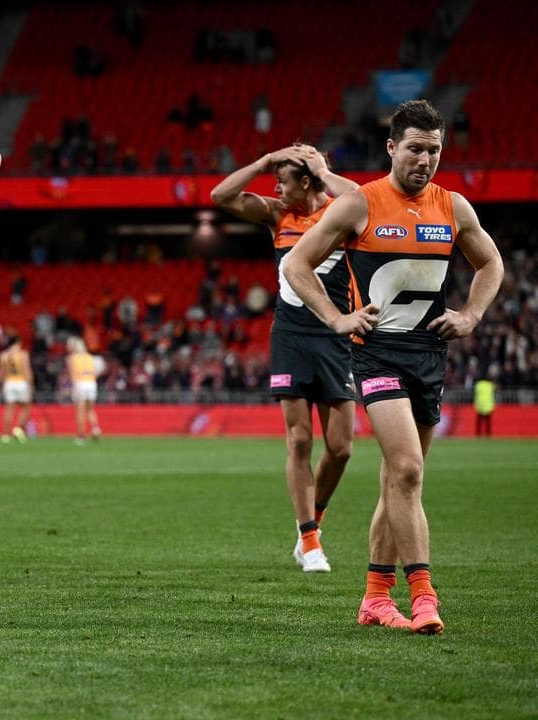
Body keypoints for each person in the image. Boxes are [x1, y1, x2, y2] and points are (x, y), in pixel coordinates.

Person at [285, 99, 503, 634]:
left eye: (433, 150)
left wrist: (472, 313)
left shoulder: (453, 208)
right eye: (414, 149)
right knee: (405, 468)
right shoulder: (360, 204)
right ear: (391, 148)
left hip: (428, 355)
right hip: (375, 352)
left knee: (400, 484)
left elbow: (490, 262)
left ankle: (374, 599)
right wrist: (337, 318)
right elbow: (296, 263)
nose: (424, 160)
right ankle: (423, 594)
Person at [210, 143, 361, 574]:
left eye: (283, 179)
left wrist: (323, 170)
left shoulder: (342, 212)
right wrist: (261, 162)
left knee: (342, 448)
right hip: (292, 335)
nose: (275, 186)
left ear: (309, 181)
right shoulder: (279, 214)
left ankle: (312, 522)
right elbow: (221, 197)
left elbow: (364, 199)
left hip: (337, 333)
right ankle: (310, 540)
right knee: (299, 440)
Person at [0, 335, 33, 443]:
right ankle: (18, 429)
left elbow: (1, 373)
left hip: (9, 382)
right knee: (26, 407)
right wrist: (30, 384)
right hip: (21, 382)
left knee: (9, 409)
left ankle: (5, 435)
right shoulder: (23, 354)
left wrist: (3, 385)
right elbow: (27, 371)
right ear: (18, 343)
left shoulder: (3, 355)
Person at [66, 337, 102, 443]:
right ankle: (95, 428)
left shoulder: (72, 358)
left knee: (80, 411)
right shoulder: (90, 357)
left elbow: (73, 374)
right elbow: (95, 373)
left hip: (80, 383)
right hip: (91, 383)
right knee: (90, 409)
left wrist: (73, 388)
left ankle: (81, 435)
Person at [473, 369, 496, 437]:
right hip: (488, 406)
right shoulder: (490, 385)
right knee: (488, 423)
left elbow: (475, 394)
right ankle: (488, 435)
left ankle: (478, 435)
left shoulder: (478, 385)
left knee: (479, 423)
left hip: (480, 406)